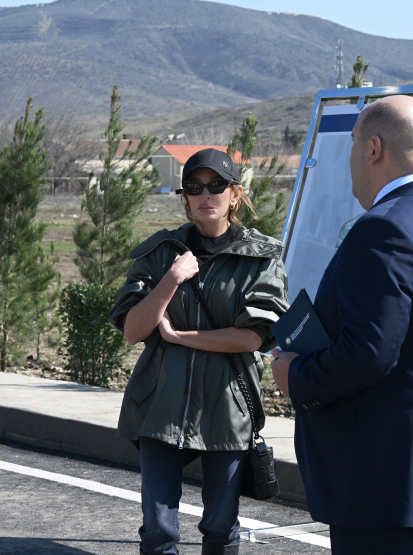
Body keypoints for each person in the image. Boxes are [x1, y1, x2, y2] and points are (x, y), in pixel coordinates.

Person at [271, 95, 413, 555]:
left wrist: (294, 374)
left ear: (373, 148)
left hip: (394, 486)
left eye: (353, 142)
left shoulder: (383, 228)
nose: (351, 156)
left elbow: (368, 352)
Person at [110, 148, 289, 555]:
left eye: (216, 185)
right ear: (185, 197)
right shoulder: (160, 252)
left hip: (228, 406)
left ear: (235, 194)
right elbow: (133, 331)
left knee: (220, 527)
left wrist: (179, 336)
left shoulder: (261, 257)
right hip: (160, 403)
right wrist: (171, 279)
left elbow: (250, 339)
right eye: (194, 187)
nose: (205, 195)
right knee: (158, 530)